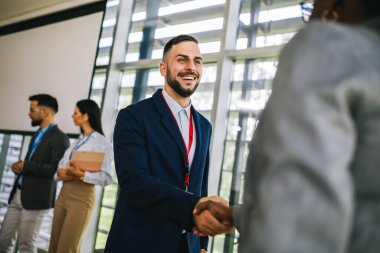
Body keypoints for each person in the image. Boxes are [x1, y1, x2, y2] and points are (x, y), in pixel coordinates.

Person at [193, 0, 380, 252]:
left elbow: (298, 221)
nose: (311, 16)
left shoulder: (327, 47)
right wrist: (235, 215)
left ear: (332, 9)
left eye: (312, 5)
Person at [104, 35, 212, 253]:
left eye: (197, 61)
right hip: (140, 242)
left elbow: (201, 184)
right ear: (163, 68)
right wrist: (195, 207)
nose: (191, 67)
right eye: (182, 60)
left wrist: (201, 243)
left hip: (187, 245)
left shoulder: (204, 125)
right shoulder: (133, 117)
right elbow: (135, 183)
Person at [0, 94, 69, 253]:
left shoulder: (60, 138)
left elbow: (54, 170)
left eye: (32, 110)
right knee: (3, 241)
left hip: (36, 199)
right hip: (18, 194)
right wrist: (20, 167)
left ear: (44, 112)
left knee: (26, 245)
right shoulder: (37, 134)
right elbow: (32, 165)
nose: (28, 113)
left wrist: (27, 165)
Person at [48, 99, 113, 253]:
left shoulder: (102, 143)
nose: (72, 116)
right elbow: (60, 167)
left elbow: (107, 178)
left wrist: (81, 175)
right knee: (54, 246)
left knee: (66, 248)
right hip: (63, 194)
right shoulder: (76, 142)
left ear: (86, 116)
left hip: (82, 198)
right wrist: (60, 173)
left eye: (75, 113)